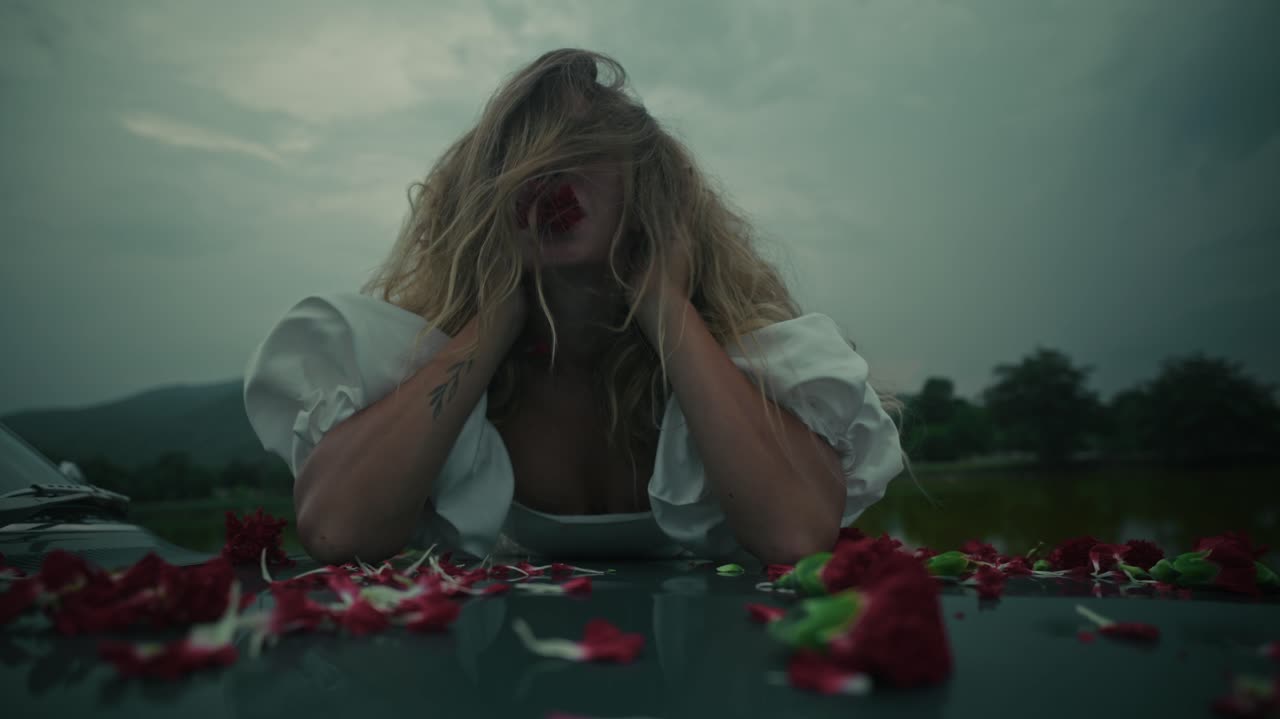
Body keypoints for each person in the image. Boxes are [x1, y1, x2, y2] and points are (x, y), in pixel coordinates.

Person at [243, 49, 914, 567]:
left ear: (642, 186)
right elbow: (337, 531)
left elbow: (796, 535)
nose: (548, 173)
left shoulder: (742, 361)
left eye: (581, 149)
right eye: (523, 157)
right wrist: (499, 312)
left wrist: (662, 301)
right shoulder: (413, 359)